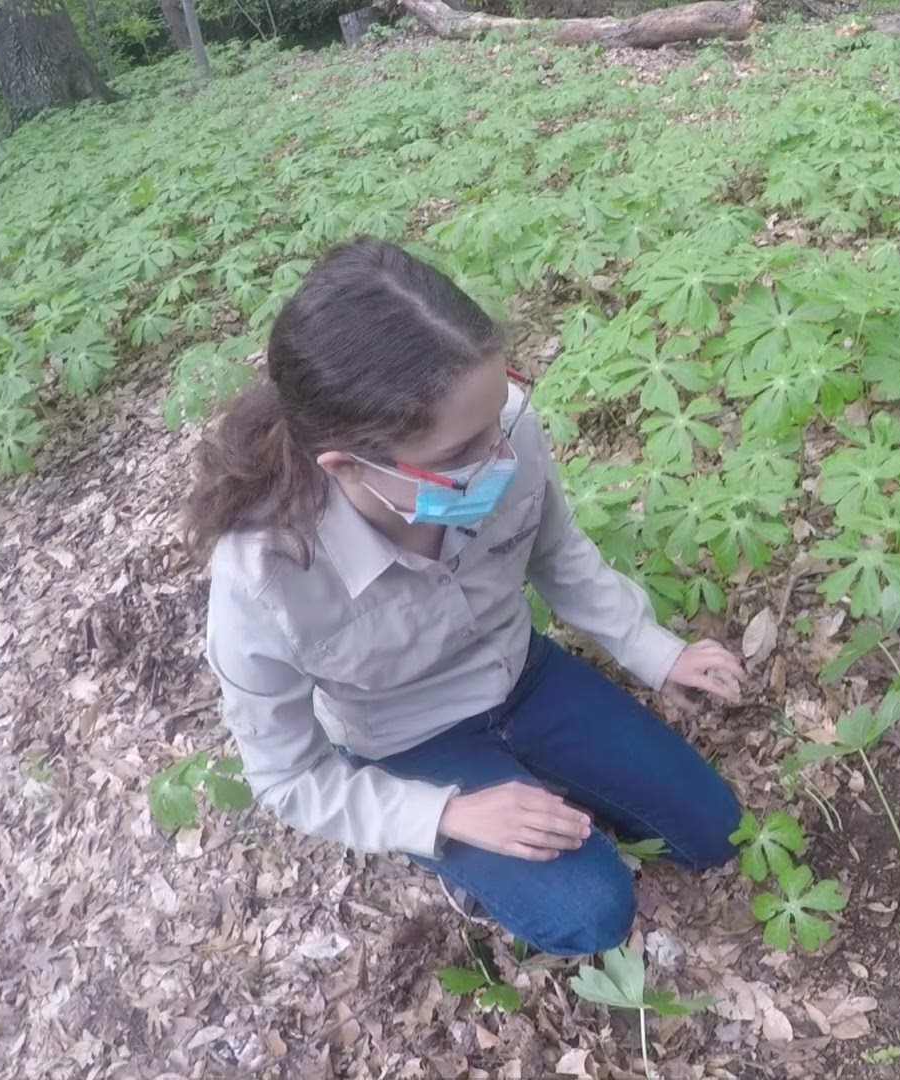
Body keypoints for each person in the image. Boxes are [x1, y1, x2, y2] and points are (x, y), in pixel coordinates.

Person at [188, 238, 747, 955]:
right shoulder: (263, 579)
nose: (502, 458)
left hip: (524, 676)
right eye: (460, 457)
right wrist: (447, 815)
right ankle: (469, 861)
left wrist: (654, 651)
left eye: (499, 419)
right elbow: (290, 777)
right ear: (348, 469)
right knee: (592, 912)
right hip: (407, 740)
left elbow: (559, 554)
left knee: (714, 832)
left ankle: (541, 793)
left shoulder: (500, 420)